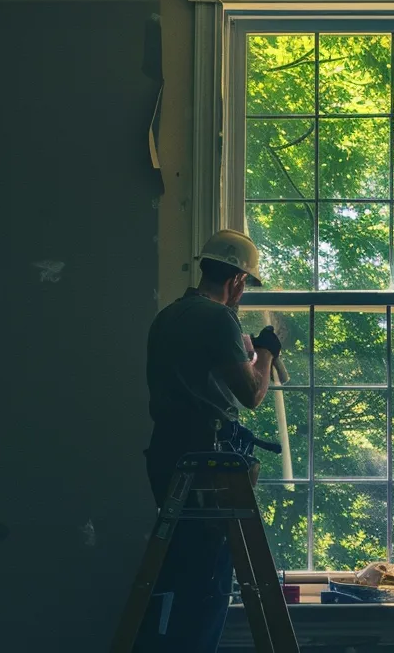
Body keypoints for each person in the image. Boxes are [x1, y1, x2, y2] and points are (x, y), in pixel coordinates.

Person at [138, 229, 280, 652]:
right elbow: (252, 395)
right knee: (210, 573)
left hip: (167, 456)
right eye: (245, 285)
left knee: (177, 565)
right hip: (207, 464)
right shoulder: (218, 318)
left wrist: (245, 352)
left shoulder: (169, 317)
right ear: (237, 279)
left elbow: (201, 375)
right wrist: (268, 351)